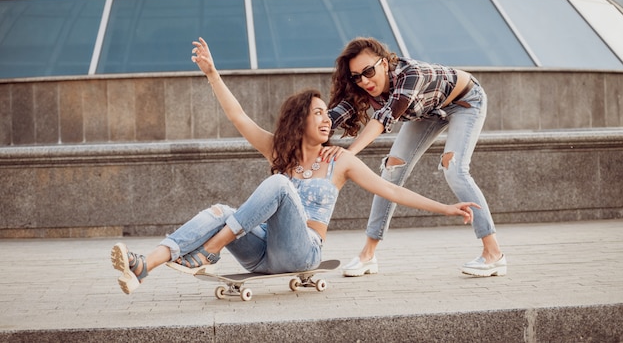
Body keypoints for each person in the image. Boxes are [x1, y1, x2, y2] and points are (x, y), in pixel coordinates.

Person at [111, 37, 480, 295]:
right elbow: (237, 115)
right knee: (223, 210)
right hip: (262, 253)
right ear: (298, 121)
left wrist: (446, 207)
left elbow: (392, 190)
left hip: (302, 252)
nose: (327, 120)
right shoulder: (278, 151)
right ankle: (146, 266)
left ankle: (209, 251)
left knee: (280, 186)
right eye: (318, 114)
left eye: (327, 114)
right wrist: (212, 74)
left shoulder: (339, 161)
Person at [326, 37, 505, 278]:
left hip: (465, 102)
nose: (364, 81)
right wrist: (299, 135)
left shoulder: (412, 75)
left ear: (385, 62)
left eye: (368, 71)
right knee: (391, 170)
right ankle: (367, 256)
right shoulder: (363, 86)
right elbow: (333, 116)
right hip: (428, 112)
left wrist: (347, 154)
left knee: (454, 168)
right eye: (357, 76)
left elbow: (383, 119)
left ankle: (493, 254)